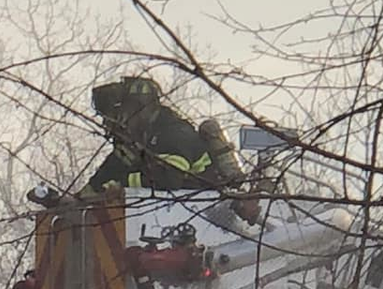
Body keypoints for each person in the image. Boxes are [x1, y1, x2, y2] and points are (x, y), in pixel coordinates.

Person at [80, 75, 261, 223]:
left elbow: (168, 178)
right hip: (170, 216)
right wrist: (76, 200)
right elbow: (103, 177)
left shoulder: (172, 134)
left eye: (112, 116)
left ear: (139, 109)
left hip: (206, 214)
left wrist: (120, 185)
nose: (107, 123)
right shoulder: (135, 142)